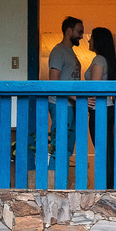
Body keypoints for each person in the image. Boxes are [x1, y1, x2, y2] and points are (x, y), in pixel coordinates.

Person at [85, 27, 116, 187]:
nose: (88, 40)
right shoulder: (107, 60)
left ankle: (105, 187)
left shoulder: (98, 60)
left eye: (91, 38)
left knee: (102, 151)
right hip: (108, 109)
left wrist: (84, 101)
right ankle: (109, 185)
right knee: (107, 150)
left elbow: (94, 87)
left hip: (100, 111)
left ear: (98, 41)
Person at [47, 16, 84, 162]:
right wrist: (76, 98)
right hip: (60, 104)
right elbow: (54, 81)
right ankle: (54, 184)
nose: (81, 36)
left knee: (68, 148)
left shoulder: (70, 52)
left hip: (72, 105)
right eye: (79, 32)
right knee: (59, 146)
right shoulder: (58, 51)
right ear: (69, 31)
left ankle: (63, 182)